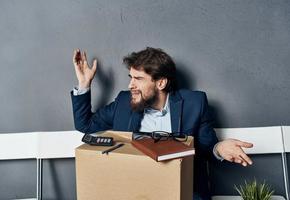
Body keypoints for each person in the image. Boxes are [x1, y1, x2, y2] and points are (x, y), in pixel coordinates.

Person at [71, 47, 253, 200]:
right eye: (130, 77)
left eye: (138, 79)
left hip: (182, 191)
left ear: (161, 83)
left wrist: (220, 148)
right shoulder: (124, 102)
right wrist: (84, 83)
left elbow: (207, 148)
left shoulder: (194, 103)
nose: (130, 85)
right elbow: (85, 124)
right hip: (134, 192)